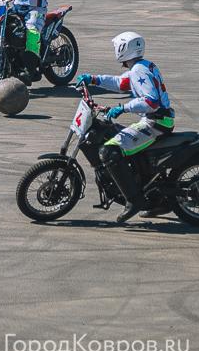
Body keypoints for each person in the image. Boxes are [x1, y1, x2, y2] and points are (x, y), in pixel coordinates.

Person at [75, 31, 175, 223]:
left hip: (155, 123)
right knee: (111, 132)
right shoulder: (141, 66)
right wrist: (93, 79)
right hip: (157, 120)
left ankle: (134, 200)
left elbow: (151, 102)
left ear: (123, 49)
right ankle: (154, 198)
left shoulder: (138, 70)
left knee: (109, 151)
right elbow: (120, 83)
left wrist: (123, 108)